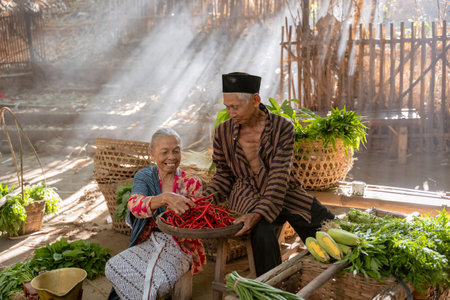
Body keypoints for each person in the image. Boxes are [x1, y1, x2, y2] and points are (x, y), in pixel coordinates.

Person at [204, 72, 335, 276]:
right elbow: (223, 175)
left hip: (284, 191)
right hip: (246, 193)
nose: (231, 112)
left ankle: (341, 282)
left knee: (329, 227)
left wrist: (259, 213)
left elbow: (279, 177)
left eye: (235, 107)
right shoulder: (222, 132)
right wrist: (204, 200)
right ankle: (273, 287)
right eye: (227, 107)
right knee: (261, 234)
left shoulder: (282, 127)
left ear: (255, 100)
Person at [105, 128, 206, 300]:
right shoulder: (145, 176)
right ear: (152, 153)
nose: (171, 157)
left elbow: (194, 225)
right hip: (149, 241)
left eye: (176, 151)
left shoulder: (192, 182)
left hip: (180, 246)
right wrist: (164, 198)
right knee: (113, 266)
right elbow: (134, 204)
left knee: (154, 279)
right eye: (164, 152)